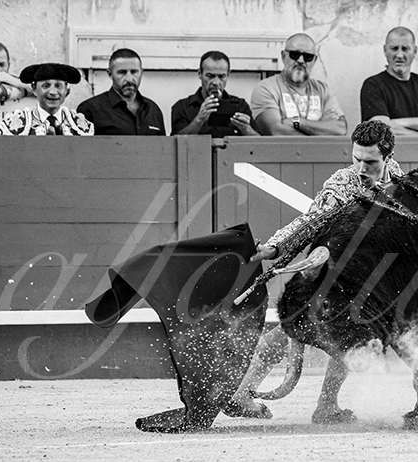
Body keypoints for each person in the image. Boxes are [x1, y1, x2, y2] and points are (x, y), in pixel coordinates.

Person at [224, 120, 403, 420]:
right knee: (292, 328)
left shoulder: (399, 181)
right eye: (355, 158)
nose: (360, 168)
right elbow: (310, 222)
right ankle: (243, 393)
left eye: (369, 162)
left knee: (350, 336)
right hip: (329, 275)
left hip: (368, 281)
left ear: (388, 157)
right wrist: (275, 247)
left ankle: (325, 405)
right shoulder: (342, 185)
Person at [360, 26, 418, 135]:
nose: (399, 55)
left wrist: (396, 122)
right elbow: (381, 129)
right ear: (385, 50)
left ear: (415, 51)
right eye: (394, 48)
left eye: (405, 49)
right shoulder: (373, 85)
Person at [250, 33, 347, 136]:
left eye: (307, 57)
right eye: (294, 54)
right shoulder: (266, 88)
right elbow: (276, 132)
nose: (301, 60)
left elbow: (340, 129)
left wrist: (297, 122)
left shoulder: (323, 90)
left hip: (319, 152)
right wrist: (320, 133)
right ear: (283, 56)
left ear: (314, 60)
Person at [77, 49, 165, 135]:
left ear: (141, 72)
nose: (129, 79)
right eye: (122, 72)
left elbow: (164, 148)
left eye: (134, 72)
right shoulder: (90, 110)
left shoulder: (153, 110)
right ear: (110, 74)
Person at [171, 51, 258, 137]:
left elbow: (261, 144)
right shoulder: (182, 107)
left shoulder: (240, 106)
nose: (216, 82)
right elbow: (175, 144)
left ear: (228, 75)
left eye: (221, 76)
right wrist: (199, 120)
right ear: (200, 74)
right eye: (210, 76)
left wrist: (245, 128)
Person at [0, 62, 93, 136]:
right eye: (46, 86)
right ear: (34, 90)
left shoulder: (80, 125)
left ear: (66, 92)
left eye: (58, 86)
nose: (53, 92)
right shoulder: (15, 124)